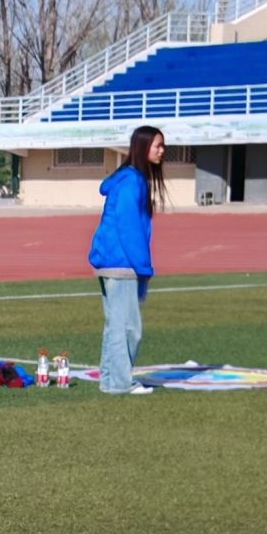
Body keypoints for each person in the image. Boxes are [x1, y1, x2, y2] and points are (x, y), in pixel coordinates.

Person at [88, 124, 166, 395]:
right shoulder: (132, 181)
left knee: (115, 325)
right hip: (121, 262)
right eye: (157, 146)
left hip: (113, 259)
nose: (162, 151)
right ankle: (121, 383)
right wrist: (143, 266)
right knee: (129, 327)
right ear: (143, 147)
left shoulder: (129, 179)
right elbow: (129, 226)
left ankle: (110, 380)